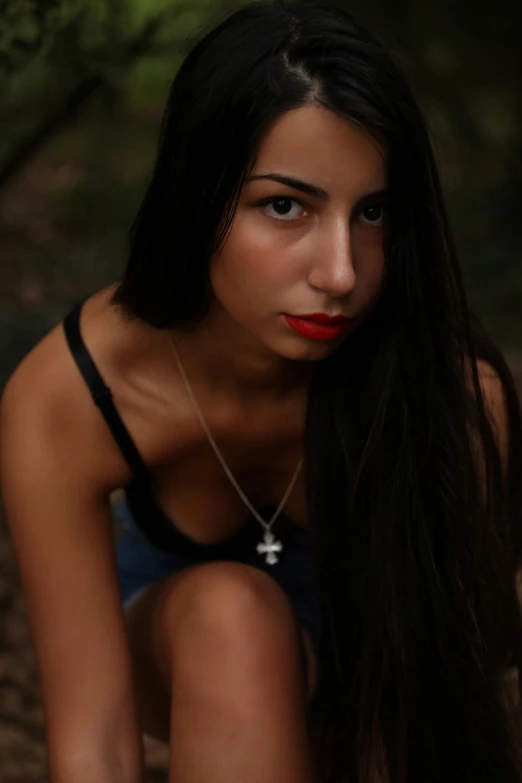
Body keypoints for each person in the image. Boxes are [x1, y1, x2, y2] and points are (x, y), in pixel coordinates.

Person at [1, 0, 522, 781]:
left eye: (374, 212)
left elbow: (432, 699)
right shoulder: (75, 391)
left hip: (389, 666)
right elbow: (94, 748)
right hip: (187, 642)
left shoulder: (450, 395)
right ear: (197, 198)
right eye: (286, 206)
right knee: (232, 620)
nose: (341, 273)